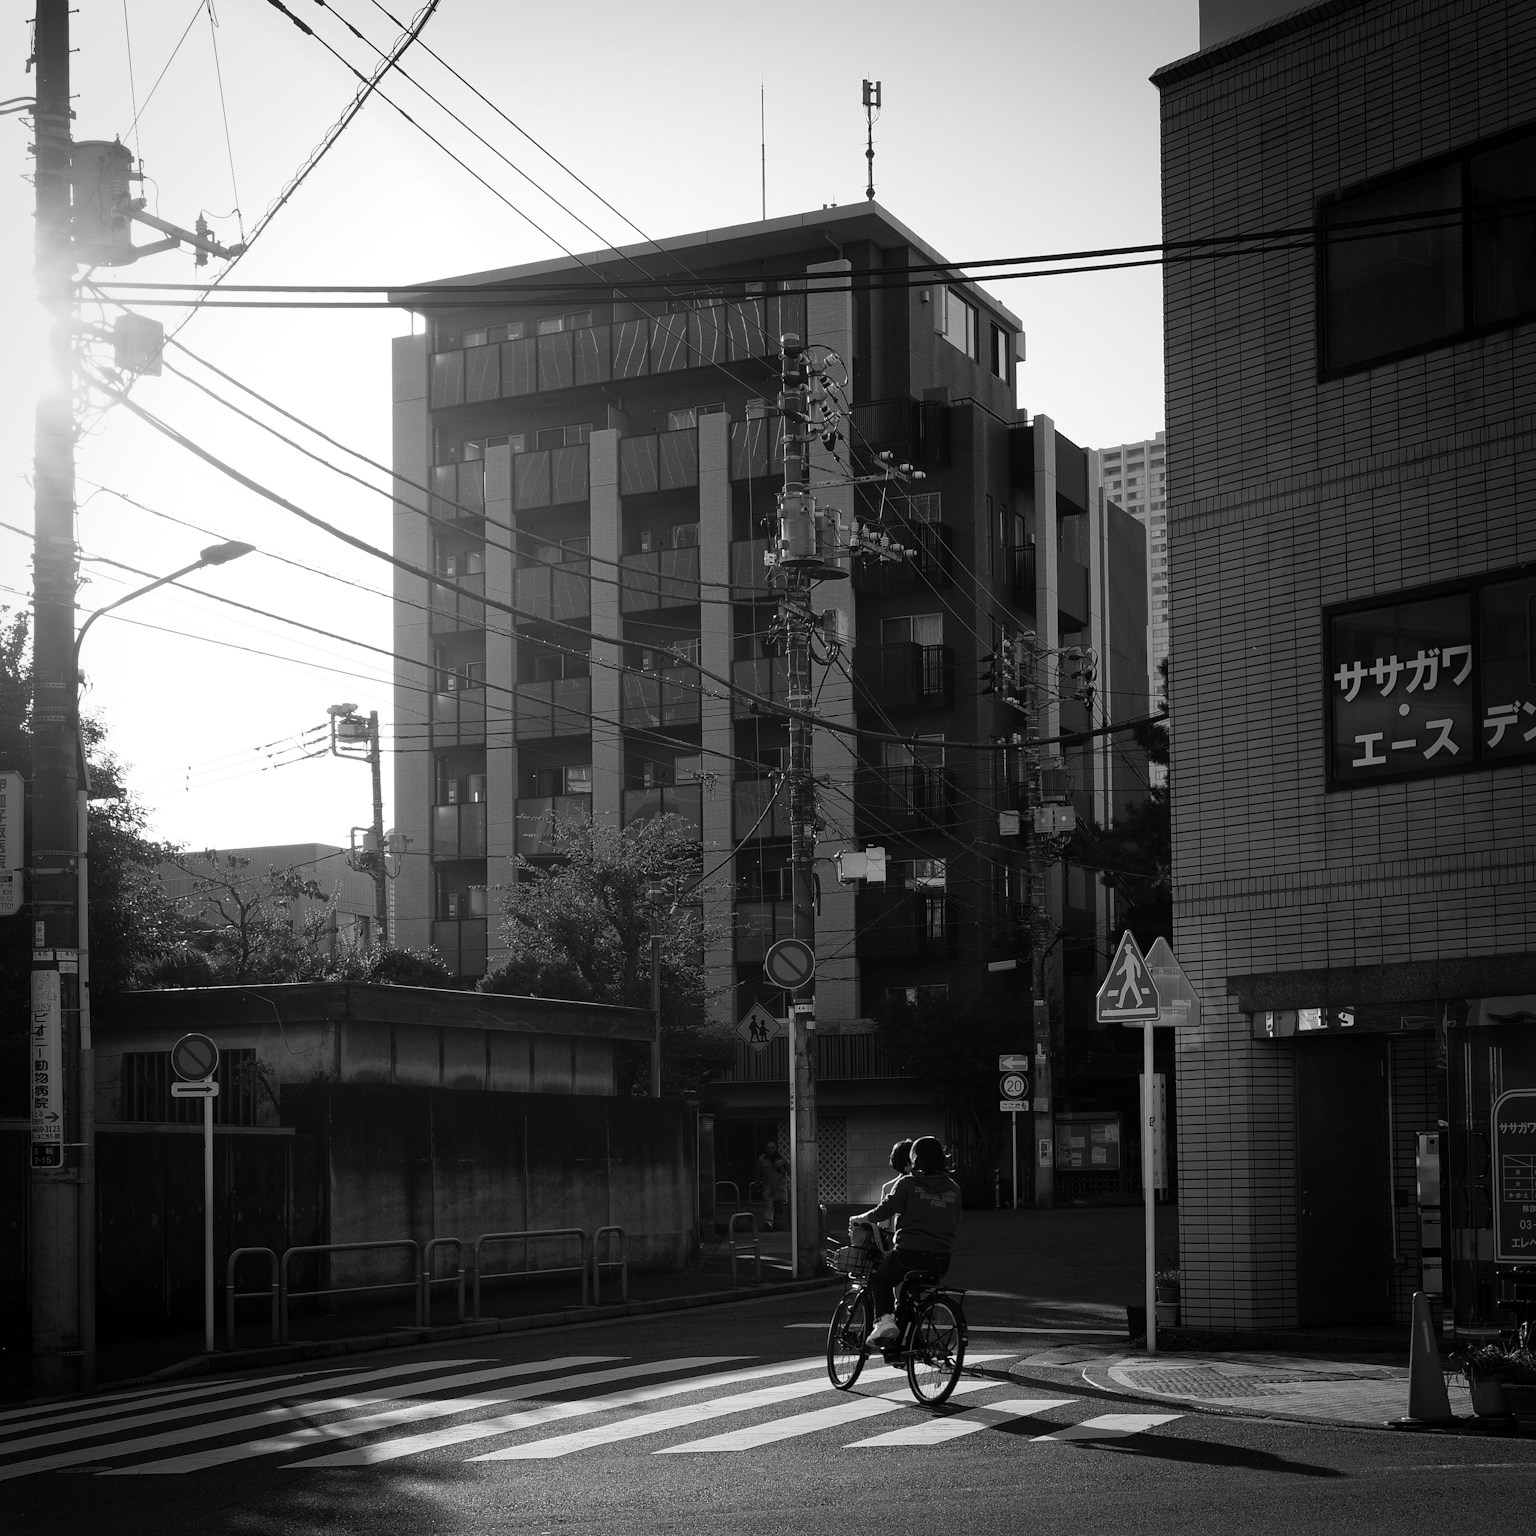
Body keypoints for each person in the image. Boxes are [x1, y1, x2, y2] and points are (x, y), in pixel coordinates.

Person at [847, 1135, 961, 1344]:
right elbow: (954, 1221)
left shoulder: (908, 1184)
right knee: (911, 1298)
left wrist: (860, 1219)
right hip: (941, 1259)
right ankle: (908, 1344)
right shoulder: (953, 1188)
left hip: (910, 1253)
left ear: (915, 1158)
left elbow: (885, 1210)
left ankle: (885, 1322)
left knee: (881, 1280)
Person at [755, 1138, 789, 1231]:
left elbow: (789, 1171)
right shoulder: (761, 1160)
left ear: (776, 1148)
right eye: (769, 1148)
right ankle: (769, 1223)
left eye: (773, 1148)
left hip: (779, 1186)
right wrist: (757, 1185)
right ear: (766, 1149)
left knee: (779, 1207)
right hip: (768, 1186)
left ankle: (778, 1224)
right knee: (768, 1206)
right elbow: (758, 1173)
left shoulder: (782, 1158)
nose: (771, 1150)